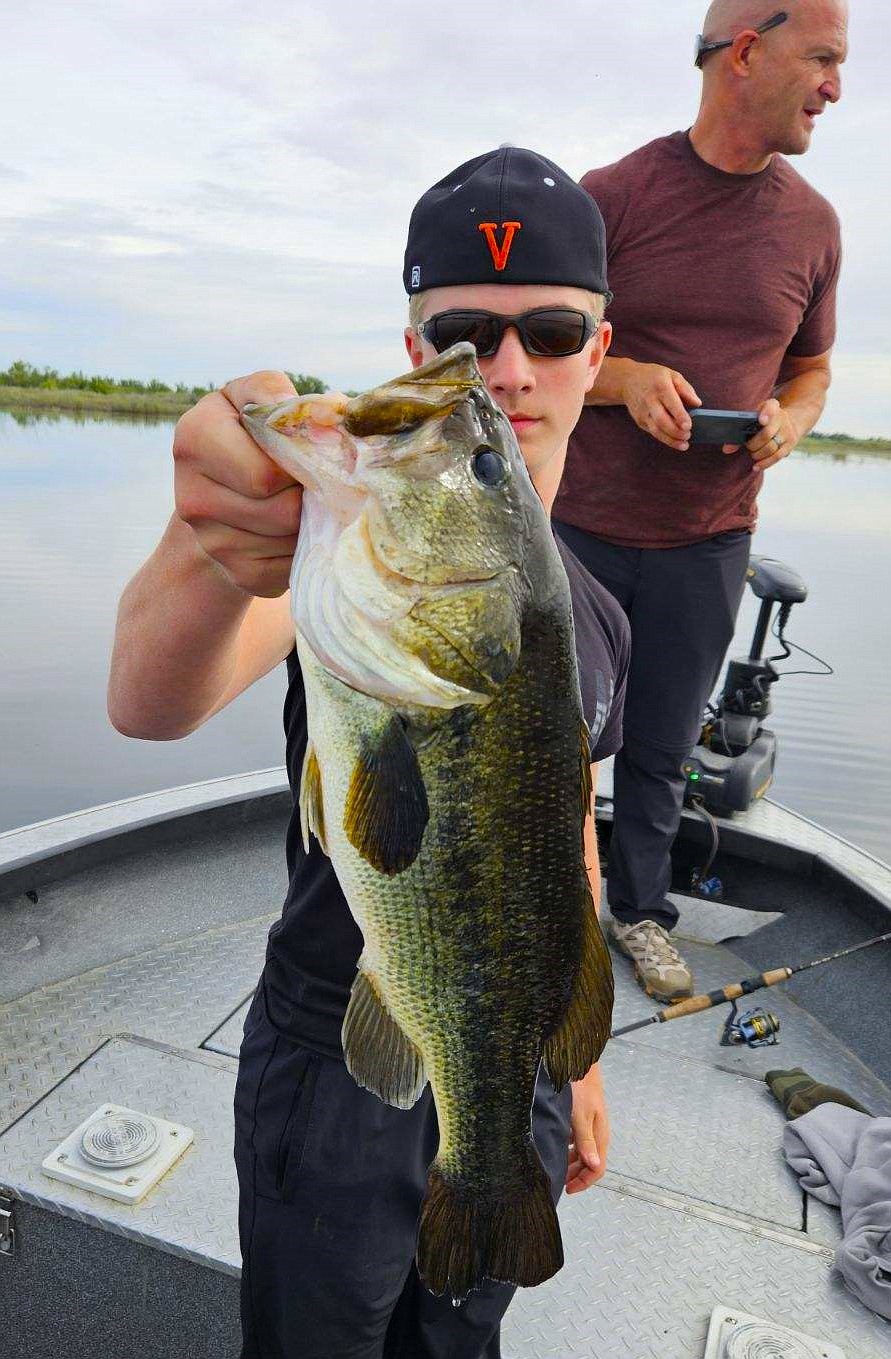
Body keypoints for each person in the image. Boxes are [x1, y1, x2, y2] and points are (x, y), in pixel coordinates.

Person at [108, 146, 630, 1359]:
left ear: (600, 351)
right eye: (464, 332)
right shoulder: (350, 565)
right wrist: (207, 550)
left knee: (461, 1340)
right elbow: (148, 700)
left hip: (517, 1063)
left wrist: (583, 1060)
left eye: (552, 331)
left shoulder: (600, 615)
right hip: (332, 1058)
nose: (506, 369)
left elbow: (568, 833)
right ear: (416, 354)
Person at [552, 0, 847, 1002]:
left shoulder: (813, 226)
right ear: (746, 53)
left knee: (664, 744)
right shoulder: (612, 197)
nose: (836, 87)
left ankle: (638, 916)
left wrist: (792, 421)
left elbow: (813, 371)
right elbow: (541, 356)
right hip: (576, 530)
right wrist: (624, 378)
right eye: (823, 59)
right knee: (546, 736)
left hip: (712, 538)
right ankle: (536, 916)